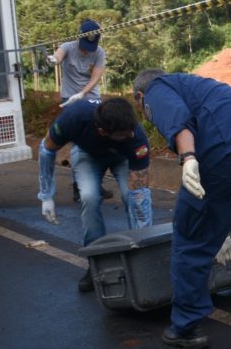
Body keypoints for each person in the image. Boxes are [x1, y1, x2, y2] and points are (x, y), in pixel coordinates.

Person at [134, 69, 231, 349]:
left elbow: (178, 120)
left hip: (230, 151)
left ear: (139, 98)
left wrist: (189, 158)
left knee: (191, 238)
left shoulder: (155, 88)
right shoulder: (202, 86)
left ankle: (186, 327)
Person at [38, 96, 154, 291]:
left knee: (132, 197)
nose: (131, 135)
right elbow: (47, 150)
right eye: (125, 134)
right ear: (102, 131)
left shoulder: (135, 139)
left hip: (122, 157)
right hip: (87, 153)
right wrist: (46, 195)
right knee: (89, 197)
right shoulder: (73, 118)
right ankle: (96, 264)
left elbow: (139, 194)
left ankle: (143, 260)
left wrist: (144, 246)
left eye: (132, 130)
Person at [47, 18, 111, 200]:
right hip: (70, 101)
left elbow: (96, 77)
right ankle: (78, 186)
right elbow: (58, 55)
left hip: (90, 98)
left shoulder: (99, 52)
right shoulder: (67, 47)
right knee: (78, 144)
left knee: (100, 140)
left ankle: (95, 183)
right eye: (83, 46)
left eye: (89, 47)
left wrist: (83, 93)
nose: (85, 51)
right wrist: (53, 60)